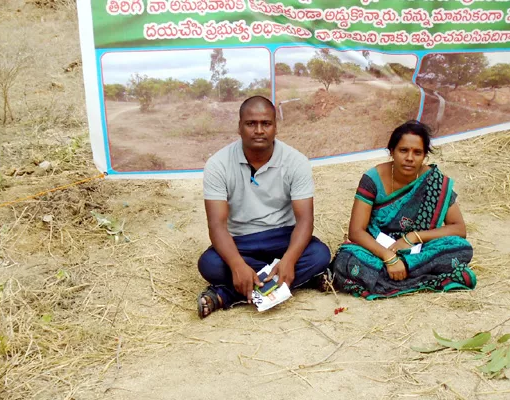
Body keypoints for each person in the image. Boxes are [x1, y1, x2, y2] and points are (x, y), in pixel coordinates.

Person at [197, 96, 331, 318]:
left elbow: (305, 221)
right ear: (239, 127)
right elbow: (217, 225)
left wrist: (288, 260)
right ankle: (293, 280)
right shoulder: (218, 164)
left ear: (275, 127)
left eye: (266, 124)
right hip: (241, 242)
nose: (259, 130)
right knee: (209, 264)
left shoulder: (296, 161)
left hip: (283, 237)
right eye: (251, 124)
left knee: (319, 254)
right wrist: (237, 265)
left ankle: (227, 295)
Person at [332, 120, 476, 299]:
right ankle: (421, 276)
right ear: (391, 151)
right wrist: (389, 258)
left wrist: (413, 237)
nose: (410, 158)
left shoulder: (435, 182)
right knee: (346, 259)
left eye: (417, 152)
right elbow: (356, 232)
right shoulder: (372, 179)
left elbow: (458, 229)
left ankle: (393, 276)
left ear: (424, 156)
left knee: (460, 248)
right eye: (403, 150)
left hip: (419, 249)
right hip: (377, 249)